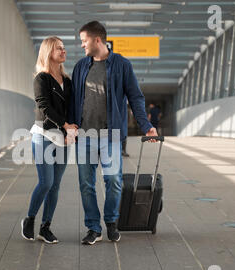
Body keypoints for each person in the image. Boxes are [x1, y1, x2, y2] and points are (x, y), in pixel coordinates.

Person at [70, 21, 158, 245]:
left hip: (110, 136)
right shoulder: (81, 66)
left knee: (113, 180)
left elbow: (135, 97)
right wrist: (69, 126)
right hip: (85, 136)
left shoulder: (121, 65)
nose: (82, 45)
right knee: (86, 184)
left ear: (97, 40)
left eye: (84, 41)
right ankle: (93, 227)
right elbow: (73, 100)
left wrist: (146, 126)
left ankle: (111, 222)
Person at [21, 36, 78, 244]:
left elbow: (72, 109)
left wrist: (71, 129)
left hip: (64, 137)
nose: (64, 51)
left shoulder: (68, 82)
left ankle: (46, 227)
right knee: (46, 182)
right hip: (43, 135)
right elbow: (44, 106)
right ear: (48, 52)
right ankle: (30, 219)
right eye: (59, 49)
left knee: (55, 185)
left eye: (64, 48)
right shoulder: (41, 79)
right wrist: (64, 125)